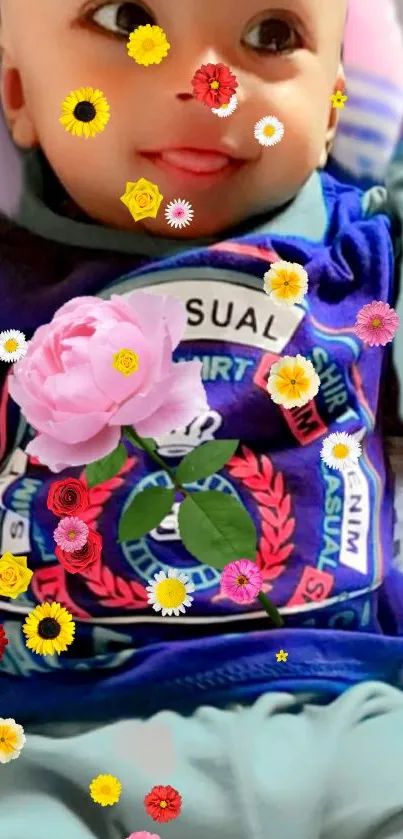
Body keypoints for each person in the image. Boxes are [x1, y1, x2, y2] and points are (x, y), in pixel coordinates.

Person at [0, 0, 403, 837]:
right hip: (48, 732)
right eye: (126, 21)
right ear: (18, 94)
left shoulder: (363, 255)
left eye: (270, 37)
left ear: (330, 107)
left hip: (340, 703)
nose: (207, 86)